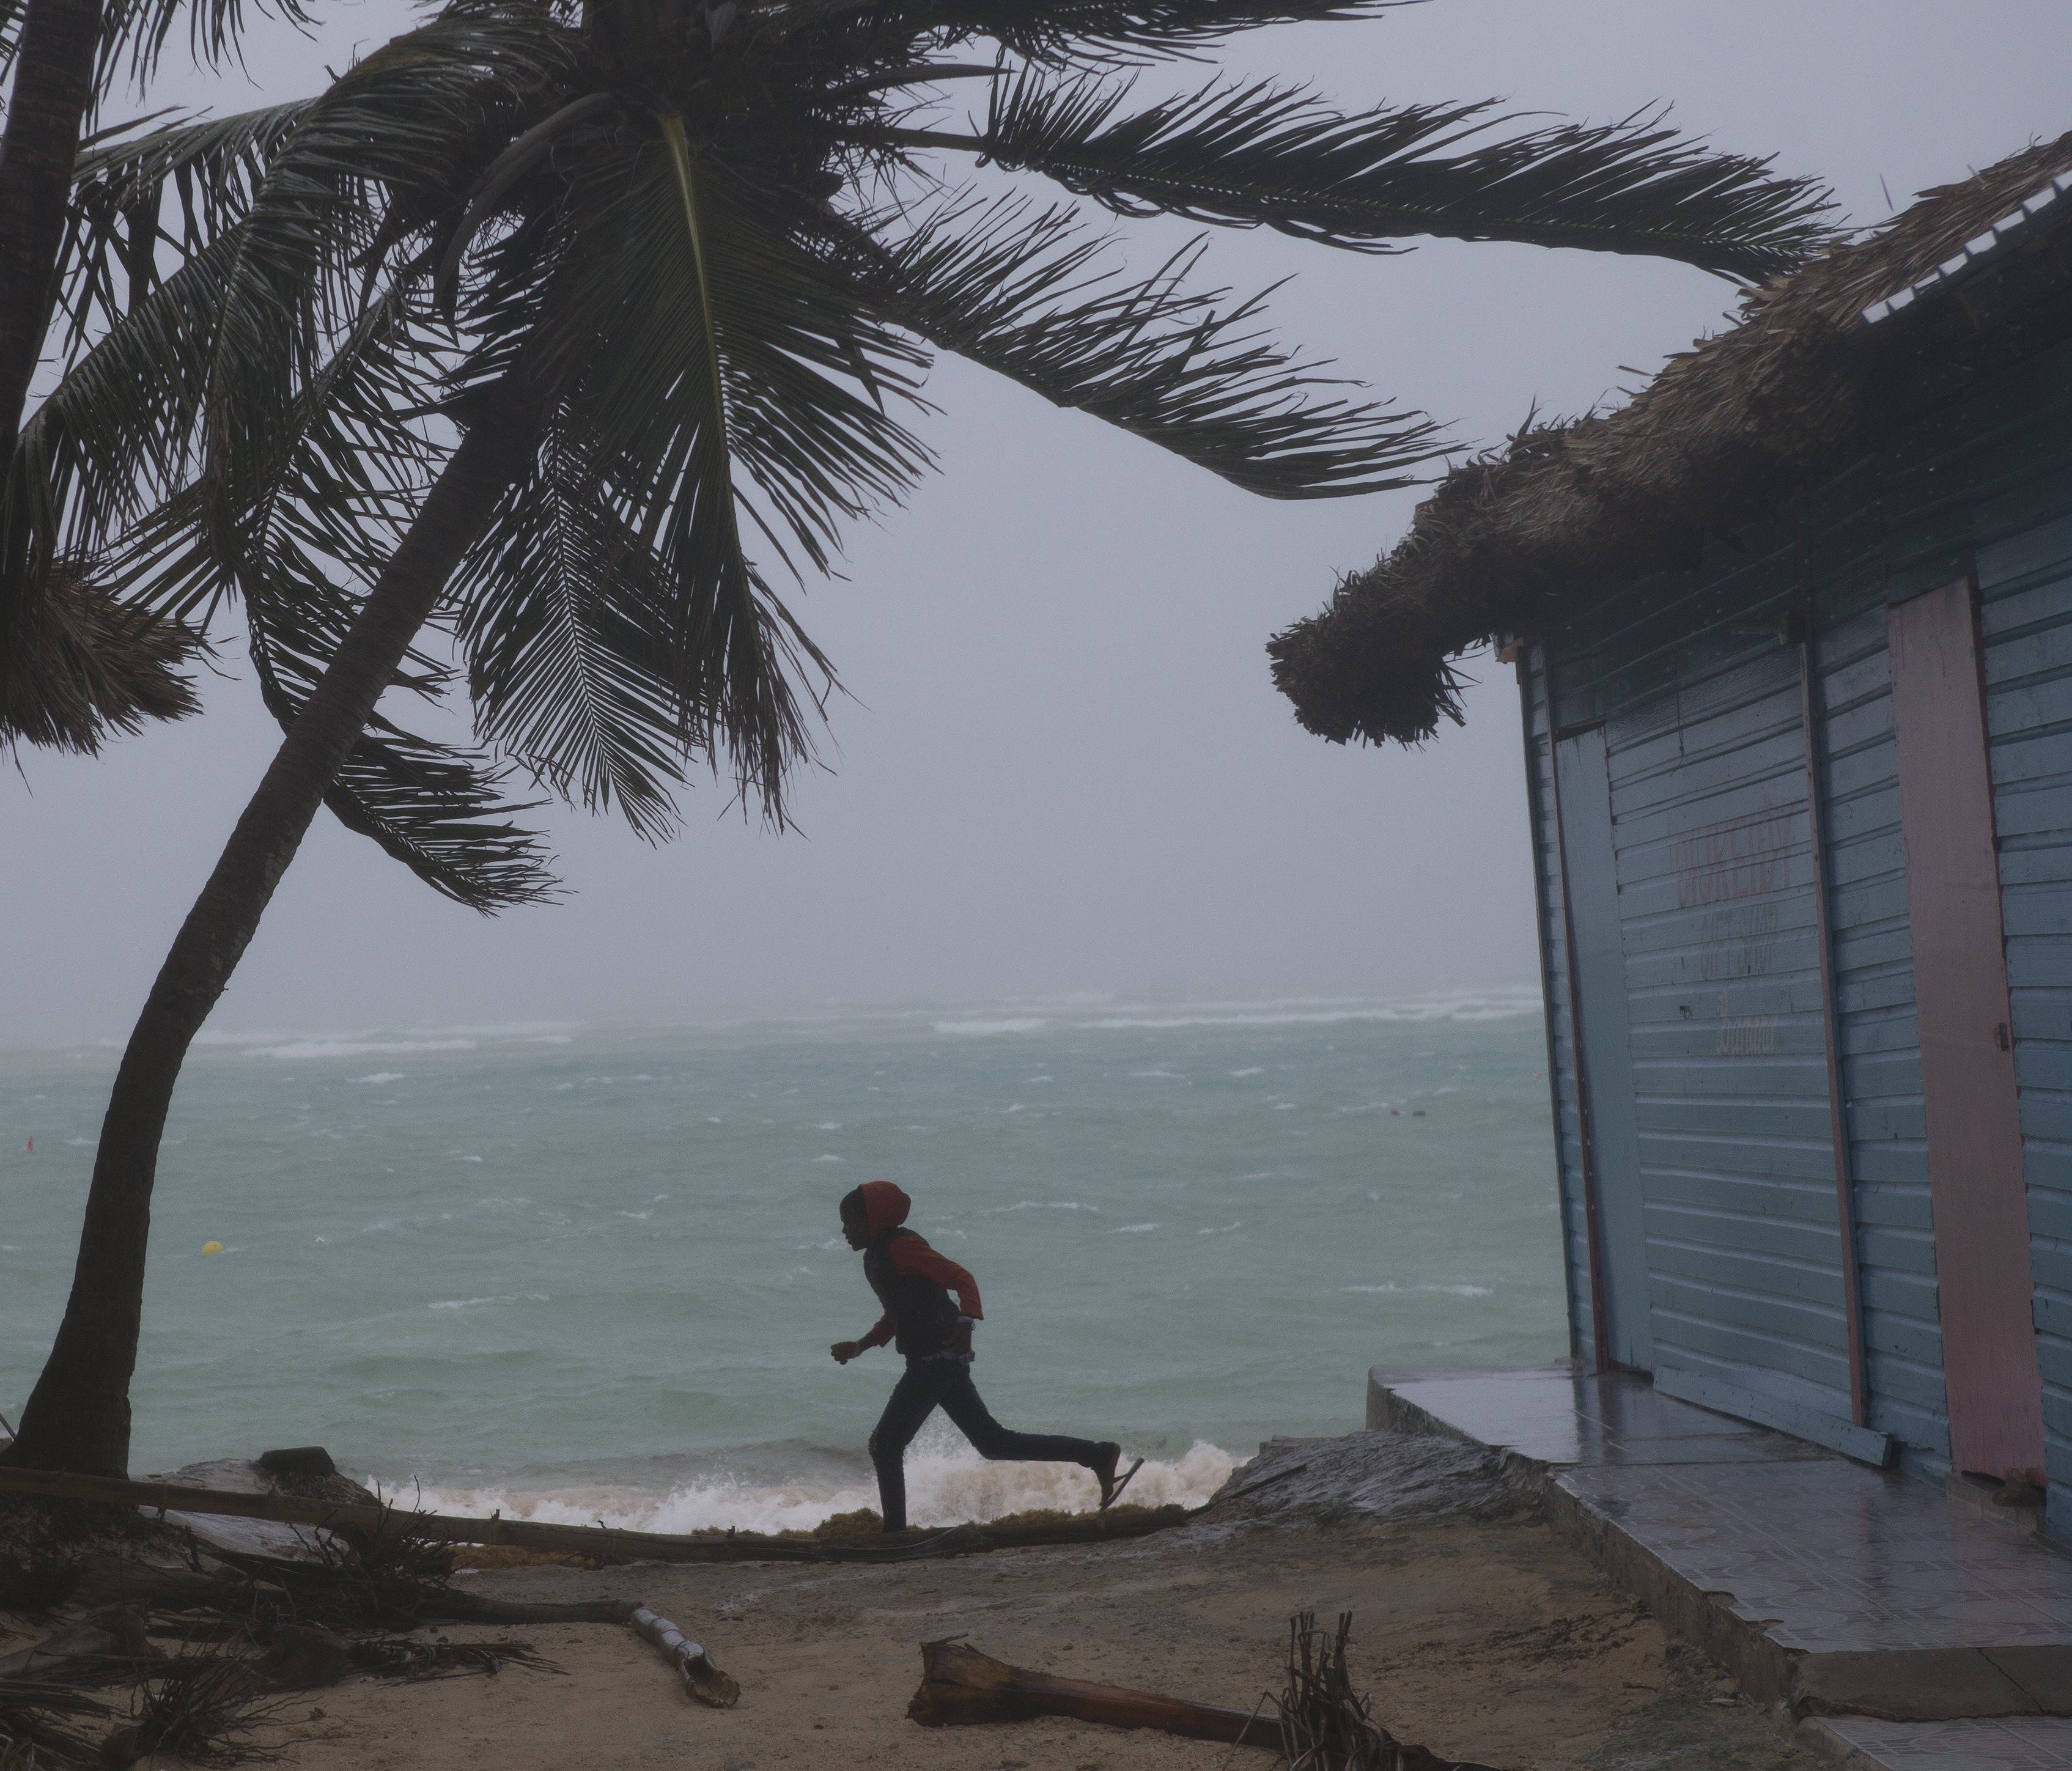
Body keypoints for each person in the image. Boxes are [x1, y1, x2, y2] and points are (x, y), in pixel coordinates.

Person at [829, 1179, 1139, 1532]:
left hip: (937, 1362)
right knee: (994, 1443)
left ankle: (896, 1534)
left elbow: (963, 1278)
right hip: (937, 1363)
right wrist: (861, 1346)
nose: (844, 1231)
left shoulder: (902, 1248)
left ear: (874, 1219)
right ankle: (1098, 1454)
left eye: (849, 1221)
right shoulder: (878, 1256)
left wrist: (965, 1321)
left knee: (885, 1445)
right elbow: (898, 1314)